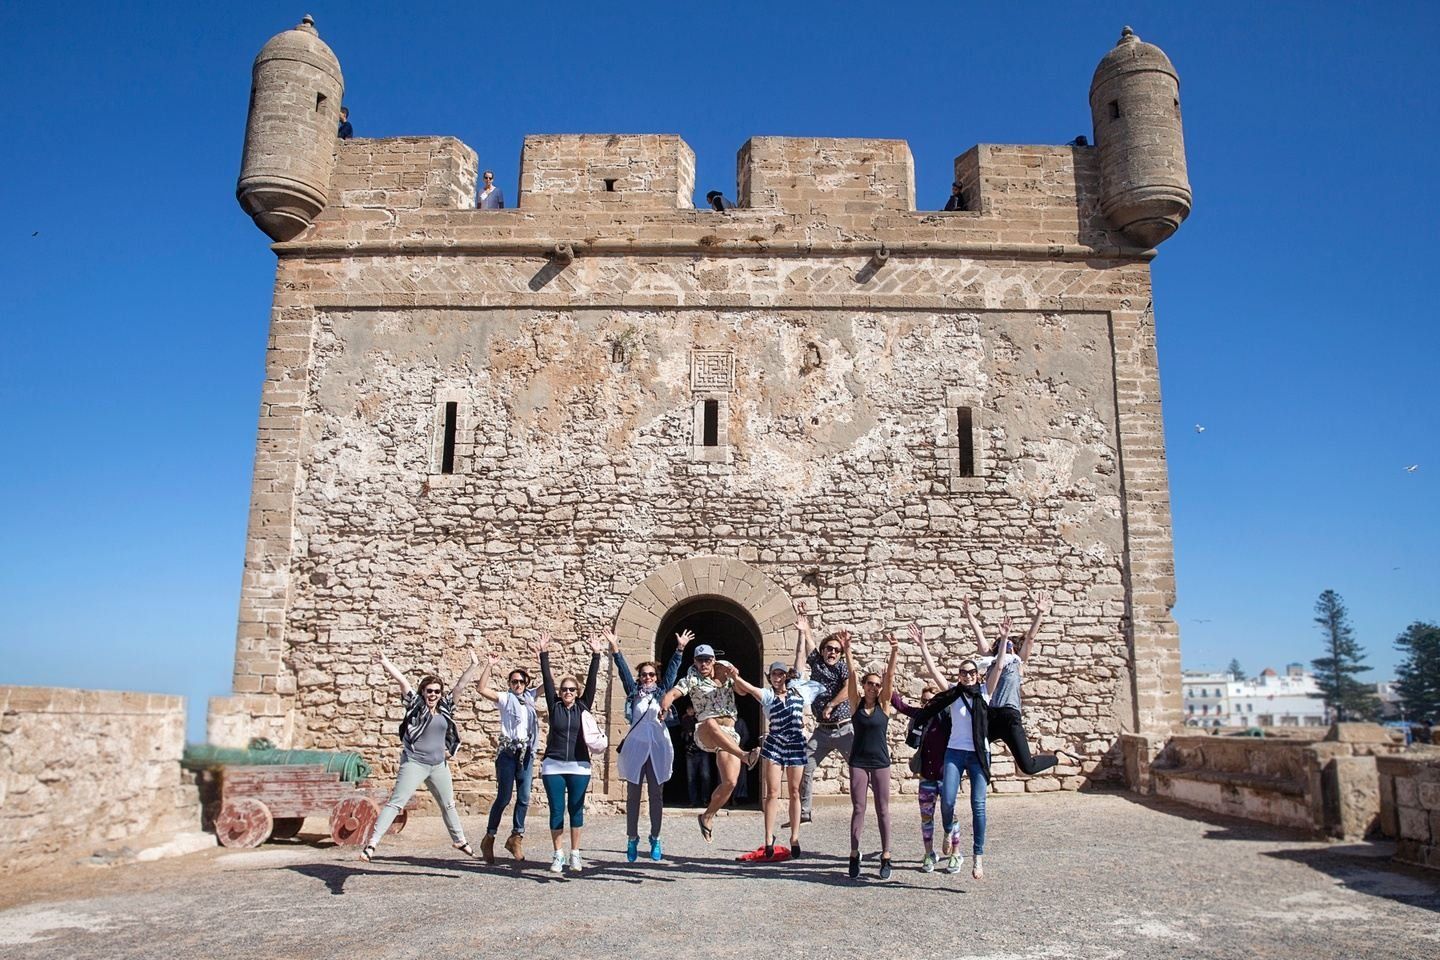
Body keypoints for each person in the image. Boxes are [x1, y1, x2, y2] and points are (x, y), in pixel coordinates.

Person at [361, 647, 482, 861]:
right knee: (396, 803)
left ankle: (460, 840)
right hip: (415, 763)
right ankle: (372, 844)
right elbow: (402, 682)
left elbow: (460, 686)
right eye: (429, 691)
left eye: (436, 691)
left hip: (438, 765)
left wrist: (473, 665)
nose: (433, 695)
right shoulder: (416, 706)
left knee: (448, 804)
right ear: (423, 692)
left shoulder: (445, 707)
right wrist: (385, 662)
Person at [910, 624, 1008, 880]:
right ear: (959, 675)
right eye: (963, 673)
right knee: (949, 800)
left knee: (979, 806)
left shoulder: (985, 692)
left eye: (971, 672)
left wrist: (1005, 638)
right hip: (954, 752)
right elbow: (933, 672)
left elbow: (998, 667)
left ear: (977, 675)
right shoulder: (952, 694)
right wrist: (922, 646)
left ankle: (977, 857)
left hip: (977, 754)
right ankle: (946, 830)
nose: (966, 676)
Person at [729, 601, 824, 859]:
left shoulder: (798, 690)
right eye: (775, 674)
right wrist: (735, 676)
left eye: (782, 674)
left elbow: (800, 659)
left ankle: (794, 836)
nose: (778, 677)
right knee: (772, 792)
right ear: (770, 676)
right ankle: (768, 838)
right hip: (774, 744)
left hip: (795, 743)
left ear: (786, 676)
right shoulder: (768, 697)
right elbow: (747, 688)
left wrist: (802, 631)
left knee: (794, 792)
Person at [659, 638, 759, 842]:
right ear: (695, 661)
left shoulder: (726, 674)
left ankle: (707, 816)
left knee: (730, 782)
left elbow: (742, 691)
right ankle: (744, 756)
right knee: (710, 722)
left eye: (707, 660)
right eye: (699, 660)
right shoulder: (692, 678)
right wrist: (665, 705)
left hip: (729, 734)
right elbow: (673, 693)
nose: (703, 664)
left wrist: (735, 676)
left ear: (713, 660)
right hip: (705, 732)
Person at [963, 593, 1064, 776]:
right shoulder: (992, 660)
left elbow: (1031, 638)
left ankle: (1057, 757)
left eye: (1010, 644)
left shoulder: (1018, 661)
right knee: (971, 746)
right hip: (991, 715)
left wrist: (1039, 613)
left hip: (1010, 717)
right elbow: (979, 636)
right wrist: (969, 615)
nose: (1007, 645)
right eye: (1004, 643)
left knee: (1028, 767)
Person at [607, 628, 685, 862]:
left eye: (651, 674)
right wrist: (615, 648)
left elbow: (672, 673)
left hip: (658, 748)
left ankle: (655, 837)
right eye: (644, 675)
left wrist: (680, 649)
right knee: (632, 796)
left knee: (656, 795)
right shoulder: (634, 693)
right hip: (636, 747)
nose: (648, 677)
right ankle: (632, 838)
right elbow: (622, 672)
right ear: (640, 677)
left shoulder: (662, 692)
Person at [536, 632, 603, 873]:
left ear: (577, 692)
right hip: (553, 765)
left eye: (571, 689)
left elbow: (593, 681)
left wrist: (596, 655)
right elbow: (547, 677)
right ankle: (558, 855)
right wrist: (543, 653)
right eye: (564, 689)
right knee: (556, 810)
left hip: (579, 766)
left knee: (576, 809)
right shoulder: (554, 706)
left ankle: (575, 854)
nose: (567, 692)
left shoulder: (583, 707)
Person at [473, 649, 540, 863]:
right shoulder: (505, 698)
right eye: (514, 681)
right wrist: (489, 665)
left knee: (524, 797)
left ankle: (516, 837)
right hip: (508, 752)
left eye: (521, 681)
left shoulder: (530, 698)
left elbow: (551, 684)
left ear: (526, 683)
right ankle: (489, 837)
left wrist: (543, 657)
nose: (517, 685)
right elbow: (482, 689)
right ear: (509, 683)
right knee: (503, 797)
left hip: (526, 752)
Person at [843, 632, 900, 879]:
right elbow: (852, 676)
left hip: (880, 763)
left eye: (877, 685)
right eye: (870, 684)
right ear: (864, 686)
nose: (874, 687)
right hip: (858, 762)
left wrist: (894, 650)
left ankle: (886, 856)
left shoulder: (884, 705)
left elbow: (890, 677)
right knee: (858, 808)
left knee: (883, 810)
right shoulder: (855, 704)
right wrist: (847, 650)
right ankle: (854, 854)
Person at [890, 682, 960, 872]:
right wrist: (888, 681)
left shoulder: (949, 718)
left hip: (947, 776)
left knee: (951, 816)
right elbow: (901, 706)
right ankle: (929, 854)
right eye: (924, 701)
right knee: (926, 818)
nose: (928, 704)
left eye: (932, 700)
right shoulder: (922, 717)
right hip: (926, 776)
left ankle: (955, 854)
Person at [795, 615, 854, 826]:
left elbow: (849, 689)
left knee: (859, 766)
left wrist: (830, 705)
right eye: (829, 648)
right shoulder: (818, 663)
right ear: (823, 650)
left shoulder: (842, 667)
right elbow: (810, 642)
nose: (833, 652)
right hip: (822, 731)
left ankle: (876, 803)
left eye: (837, 650)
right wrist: (805, 626)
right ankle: (804, 812)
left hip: (844, 729)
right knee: (806, 767)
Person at [675, 704, 712, 806]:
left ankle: (705, 799)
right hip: (690, 752)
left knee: (706, 776)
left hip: (703, 750)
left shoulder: (701, 718)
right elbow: (684, 732)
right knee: (691, 778)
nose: (691, 711)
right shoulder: (685, 720)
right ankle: (693, 801)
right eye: (689, 709)